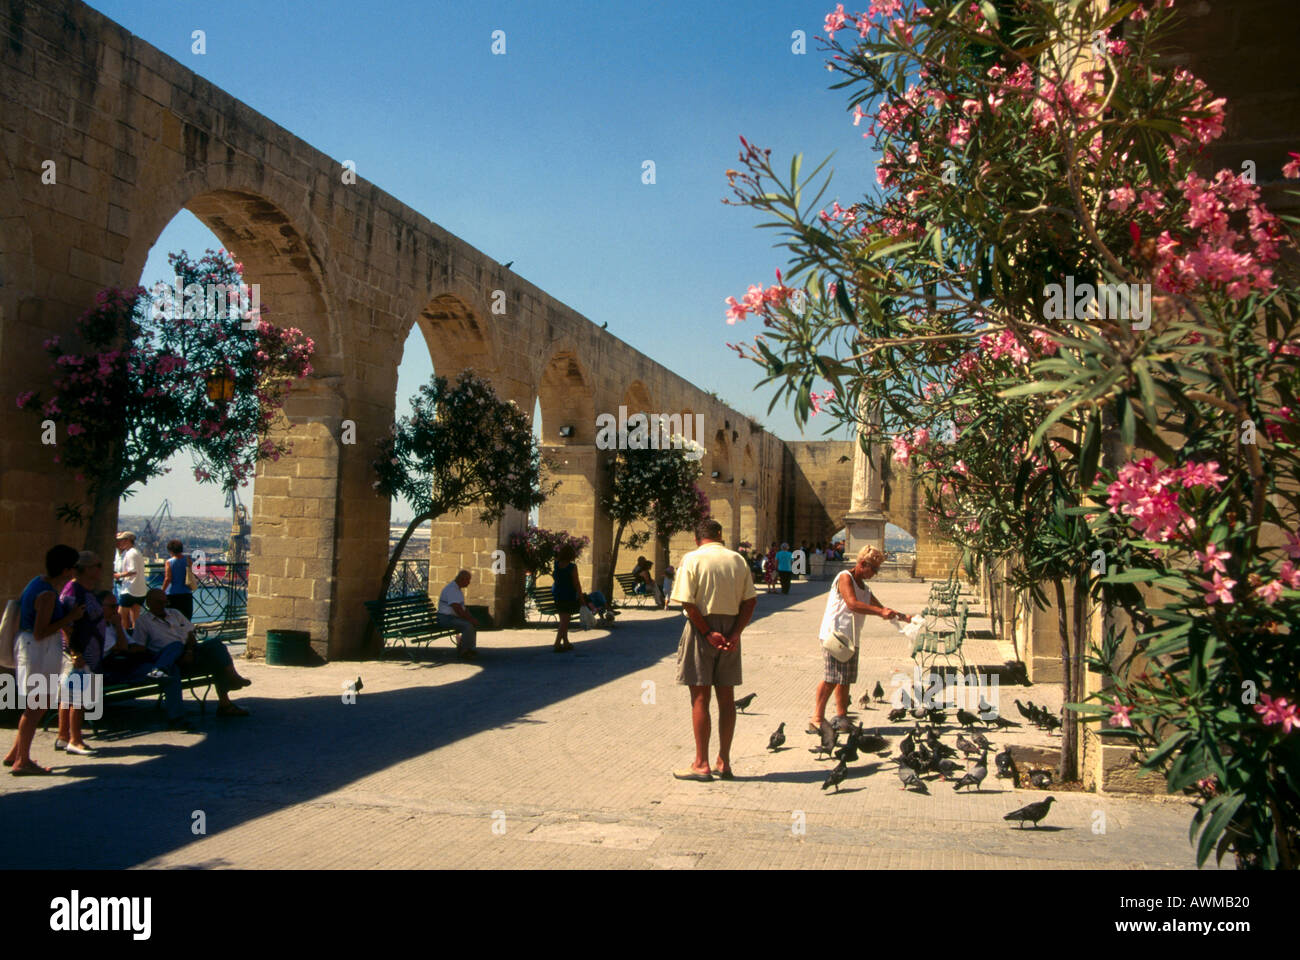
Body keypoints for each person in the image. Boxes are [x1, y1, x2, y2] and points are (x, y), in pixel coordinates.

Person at [669, 519, 758, 782]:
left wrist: (708, 632)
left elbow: (687, 601)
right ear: (720, 535)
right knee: (727, 698)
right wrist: (735, 633)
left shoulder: (692, 559)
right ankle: (724, 760)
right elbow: (750, 601)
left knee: (700, 698)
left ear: (698, 539)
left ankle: (701, 763)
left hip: (702, 630)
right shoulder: (738, 560)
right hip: (731, 628)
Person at [5, 545, 85, 775]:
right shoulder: (48, 594)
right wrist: (70, 617)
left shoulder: (36, 582)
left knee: (36, 705)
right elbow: (41, 631)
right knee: (36, 707)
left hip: (31, 647)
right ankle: (23, 760)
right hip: (39, 650)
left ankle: (15, 754)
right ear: (66, 569)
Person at [810, 546, 907, 733]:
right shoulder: (845, 577)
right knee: (831, 678)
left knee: (844, 679)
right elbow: (853, 604)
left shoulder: (865, 587)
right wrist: (880, 612)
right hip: (835, 636)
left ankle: (841, 717)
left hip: (851, 638)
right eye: (874, 569)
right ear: (863, 564)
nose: (875, 574)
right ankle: (816, 719)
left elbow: (881, 608)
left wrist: (903, 617)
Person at [133, 589, 251, 718]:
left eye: (165, 602)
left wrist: (189, 650)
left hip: (189, 650)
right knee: (177, 647)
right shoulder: (143, 622)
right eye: (159, 602)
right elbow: (140, 646)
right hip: (170, 659)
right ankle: (228, 694)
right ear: (149, 603)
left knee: (216, 646)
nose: (163, 605)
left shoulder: (174, 613)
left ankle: (230, 685)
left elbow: (190, 633)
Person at [56, 552, 109, 756]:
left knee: (69, 695)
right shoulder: (74, 590)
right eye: (98, 565)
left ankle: (63, 736)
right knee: (77, 695)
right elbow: (67, 624)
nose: (100, 569)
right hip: (79, 651)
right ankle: (75, 739)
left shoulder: (84, 589)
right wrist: (74, 651)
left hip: (87, 649)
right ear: (86, 568)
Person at [436, 570, 481, 660]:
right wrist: (470, 619)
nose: (469, 582)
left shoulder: (456, 589)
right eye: (467, 580)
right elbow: (457, 609)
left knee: (471, 624)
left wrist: (471, 618)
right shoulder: (452, 590)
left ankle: (469, 648)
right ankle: (464, 651)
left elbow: (463, 608)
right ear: (461, 579)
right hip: (446, 618)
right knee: (467, 625)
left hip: (451, 617)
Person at [112, 531, 148, 630]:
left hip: (130, 589)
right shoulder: (136, 552)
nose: (119, 543)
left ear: (127, 541)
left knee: (121, 616)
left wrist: (118, 575)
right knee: (135, 618)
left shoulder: (130, 553)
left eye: (121, 541)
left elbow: (132, 571)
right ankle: (137, 637)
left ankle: (124, 636)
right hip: (140, 590)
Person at [551, 545, 583, 652]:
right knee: (565, 621)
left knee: (563, 620)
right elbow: (576, 583)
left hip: (558, 595)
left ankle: (566, 642)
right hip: (568, 595)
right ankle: (556, 643)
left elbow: (555, 577)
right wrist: (581, 596)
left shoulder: (556, 564)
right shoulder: (572, 567)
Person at [161, 538, 194, 621]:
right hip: (186, 593)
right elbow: (191, 574)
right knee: (186, 619)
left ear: (171, 551)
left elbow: (168, 578)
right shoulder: (188, 560)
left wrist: (162, 591)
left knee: (172, 619)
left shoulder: (169, 562)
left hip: (172, 593)